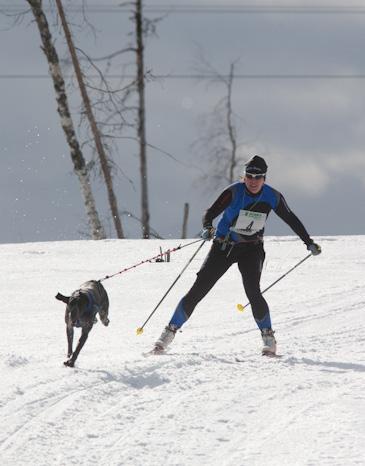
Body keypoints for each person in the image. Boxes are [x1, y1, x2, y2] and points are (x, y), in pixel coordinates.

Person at [152, 156, 321, 356]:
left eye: (257, 177)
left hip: (252, 249)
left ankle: (268, 338)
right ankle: (168, 334)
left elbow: (290, 218)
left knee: (253, 291)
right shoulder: (234, 191)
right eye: (249, 176)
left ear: (264, 178)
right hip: (224, 246)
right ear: (244, 176)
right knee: (199, 288)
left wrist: (308, 242)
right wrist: (207, 227)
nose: (253, 180)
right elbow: (210, 213)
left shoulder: (272, 196)